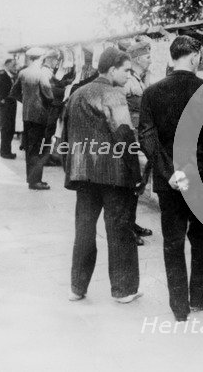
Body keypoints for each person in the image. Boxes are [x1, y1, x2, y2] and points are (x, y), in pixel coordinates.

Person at [139, 35, 203, 322]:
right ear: (195, 57)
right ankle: (199, 295)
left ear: (172, 57)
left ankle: (179, 306)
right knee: (200, 238)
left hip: (168, 181)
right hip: (200, 180)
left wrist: (170, 172)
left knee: (172, 241)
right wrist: (189, 171)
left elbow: (147, 137)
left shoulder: (151, 93)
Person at [62, 47, 142, 304]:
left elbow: (65, 138)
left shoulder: (77, 93)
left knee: (84, 231)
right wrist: (135, 173)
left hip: (83, 175)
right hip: (114, 176)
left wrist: (72, 169)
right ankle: (123, 289)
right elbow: (124, 135)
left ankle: (77, 287)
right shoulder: (114, 94)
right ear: (111, 69)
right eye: (126, 71)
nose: (129, 76)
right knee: (119, 231)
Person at [125, 41, 154, 245]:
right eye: (147, 57)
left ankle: (131, 223)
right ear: (136, 59)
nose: (150, 60)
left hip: (140, 138)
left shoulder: (139, 79)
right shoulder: (127, 80)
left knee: (137, 183)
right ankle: (126, 229)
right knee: (130, 183)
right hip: (130, 139)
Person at [14, 48, 55, 190]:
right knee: (38, 149)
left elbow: (14, 93)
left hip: (27, 116)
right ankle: (35, 181)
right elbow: (49, 96)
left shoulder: (22, 73)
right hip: (40, 116)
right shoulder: (41, 73)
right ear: (41, 58)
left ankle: (32, 180)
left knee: (30, 148)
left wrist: (27, 103)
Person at [0, 58, 19, 159]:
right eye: (13, 65)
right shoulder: (2, 74)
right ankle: (5, 152)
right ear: (7, 65)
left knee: (11, 128)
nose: (15, 67)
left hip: (11, 105)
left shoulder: (11, 75)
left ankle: (7, 151)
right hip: (5, 106)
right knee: (6, 128)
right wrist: (1, 98)